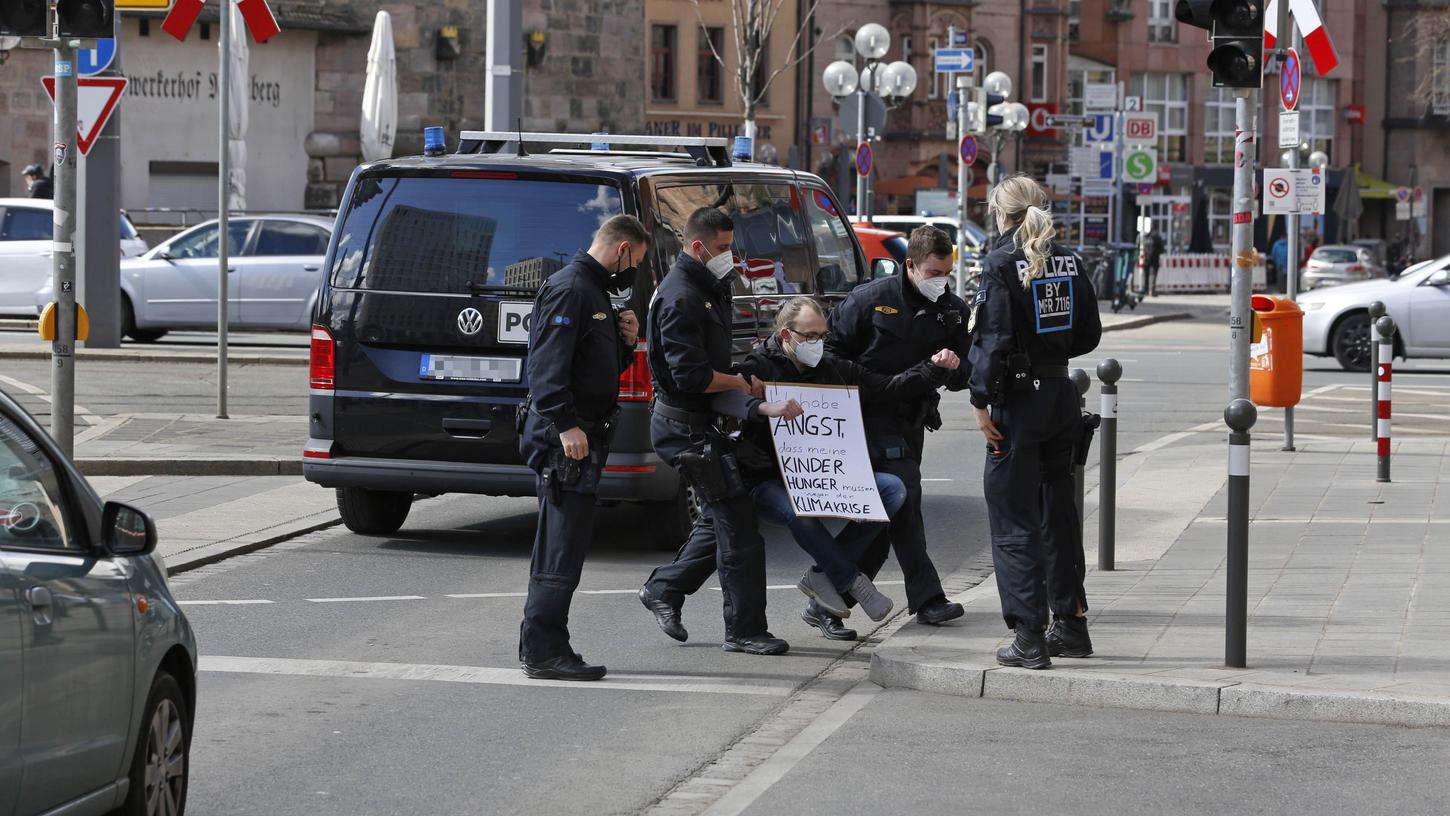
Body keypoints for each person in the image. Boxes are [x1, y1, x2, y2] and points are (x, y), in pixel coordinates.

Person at [731, 297, 960, 632]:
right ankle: (851, 581)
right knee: (797, 511)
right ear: (786, 335)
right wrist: (760, 403)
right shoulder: (758, 366)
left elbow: (886, 387)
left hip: (822, 478)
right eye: (809, 336)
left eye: (822, 336)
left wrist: (932, 368)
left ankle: (822, 578)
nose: (817, 344)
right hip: (766, 479)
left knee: (893, 491)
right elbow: (729, 401)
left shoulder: (832, 367)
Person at [638, 207, 792, 656]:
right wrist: (739, 383)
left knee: (719, 520)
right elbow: (691, 376)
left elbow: (713, 365)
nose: (732, 256)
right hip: (684, 427)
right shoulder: (682, 294)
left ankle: (663, 590)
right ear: (698, 246)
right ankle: (744, 630)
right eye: (723, 248)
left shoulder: (706, 286)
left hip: (699, 422)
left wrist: (740, 373)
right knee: (740, 531)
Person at [968, 174, 1102, 670]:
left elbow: (993, 340)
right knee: (1059, 515)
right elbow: (1089, 335)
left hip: (1019, 404)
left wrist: (981, 400)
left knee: (1012, 518)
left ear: (1001, 213)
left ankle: (1028, 635)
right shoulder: (1068, 259)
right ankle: (1069, 623)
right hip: (1060, 396)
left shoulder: (1002, 261)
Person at [517, 214, 649, 681]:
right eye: (638, 261)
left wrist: (625, 343)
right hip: (565, 440)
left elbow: (592, 365)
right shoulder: (573, 288)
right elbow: (547, 366)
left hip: (580, 434)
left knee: (564, 544)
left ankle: (544, 645)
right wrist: (566, 424)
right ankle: (545, 649)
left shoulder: (593, 291)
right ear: (623, 250)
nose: (634, 272)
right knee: (561, 547)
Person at [823, 225, 972, 636]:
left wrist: (956, 367)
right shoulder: (871, 300)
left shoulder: (953, 310)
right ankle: (928, 599)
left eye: (947, 272)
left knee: (885, 514)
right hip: (869, 417)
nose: (940, 281)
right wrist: (875, 384)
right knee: (903, 499)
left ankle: (829, 596)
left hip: (911, 419)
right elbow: (829, 353)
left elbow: (966, 373)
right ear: (910, 266)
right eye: (933, 272)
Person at [1141, 228, 1165, 297]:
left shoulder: (1144, 237)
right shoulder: (1157, 237)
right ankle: (1152, 291)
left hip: (1146, 258)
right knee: (1154, 275)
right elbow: (1162, 249)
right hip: (1155, 258)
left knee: (1146, 275)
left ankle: (1145, 290)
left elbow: (1140, 247)